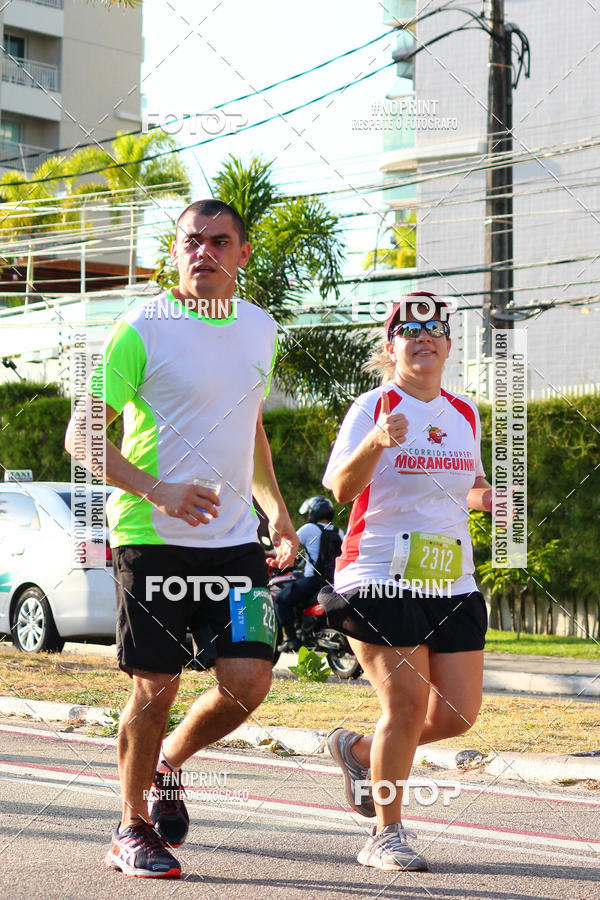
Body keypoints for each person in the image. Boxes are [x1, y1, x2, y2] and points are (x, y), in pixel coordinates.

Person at [65, 198, 299, 879]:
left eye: (220, 241)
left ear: (243, 253)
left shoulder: (260, 328)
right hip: (151, 536)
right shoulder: (142, 328)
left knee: (250, 681)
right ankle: (131, 827)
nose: (205, 253)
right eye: (192, 241)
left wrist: (275, 509)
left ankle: (168, 761)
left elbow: (249, 424)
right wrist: (156, 488)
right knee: (155, 686)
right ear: (174, 251)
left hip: (233, 543)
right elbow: (82, 435)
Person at [321, 292, 492, 872]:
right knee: (406, 701)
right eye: (409, 333)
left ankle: (361, 752)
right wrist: (376, 442)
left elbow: (463, 487)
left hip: (451, 579)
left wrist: (488, 499)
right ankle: (385, 835)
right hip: (377, 574)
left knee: (457, 716)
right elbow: (341, 489)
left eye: (435, 333)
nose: (424, 340)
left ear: (447, 346)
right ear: (392, 347)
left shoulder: (465, 413)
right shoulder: (374, 405)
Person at [274, 496, 342, 652]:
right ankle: (304, 628)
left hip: (314, 580)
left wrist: (266, 553)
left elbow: (287, 547)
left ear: (312, 513)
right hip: (334, 581)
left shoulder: (309, 529)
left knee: (280, 600)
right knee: (297, 581)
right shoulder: (339, 531)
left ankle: (292, 640)